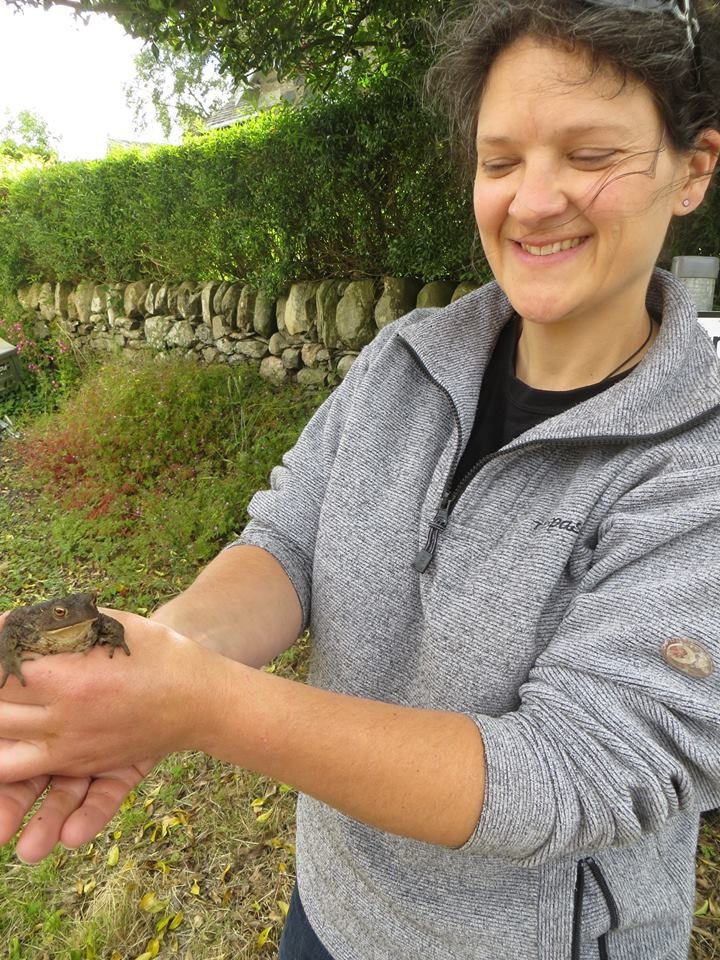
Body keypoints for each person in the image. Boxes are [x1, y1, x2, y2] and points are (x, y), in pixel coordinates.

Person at [0, 0, 719, 956]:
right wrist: (148, 660)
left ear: (693, 169)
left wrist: (201, 702)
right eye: (500, 161)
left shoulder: (699, 455)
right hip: (331, 913)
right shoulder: (403, 362)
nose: (533, 200)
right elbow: (285, 545)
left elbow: (570, 773)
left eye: (591, 157)